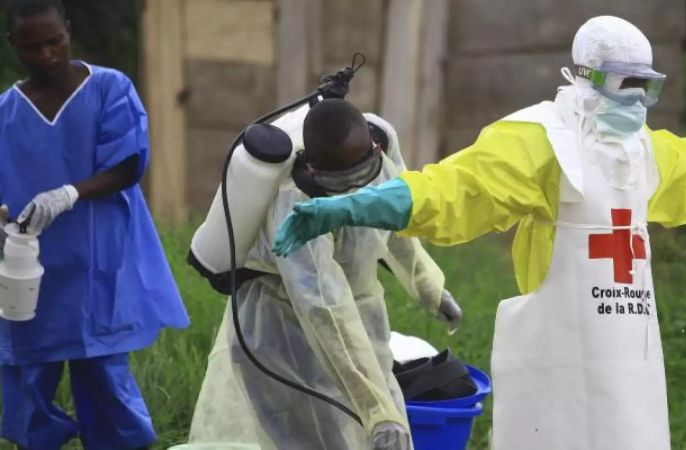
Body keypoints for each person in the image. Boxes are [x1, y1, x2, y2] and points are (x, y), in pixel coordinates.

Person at [271, 16, 686, 450]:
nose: (636, 101)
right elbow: (449, 189)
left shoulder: (646, 149)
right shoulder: (540, 141)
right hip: (558, 358)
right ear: (587, 76)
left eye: (647, 87)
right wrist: (350, 207)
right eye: (626, 84)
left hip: (631, 361)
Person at [189, 99, 462, 450]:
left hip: (360, 316)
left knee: (373, 429)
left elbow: (393, 218)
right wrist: (379, 412)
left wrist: (428, 285)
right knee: (318, 439)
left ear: (373, 147)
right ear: (312, 169)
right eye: (340, 182)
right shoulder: (295, 206)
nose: (353, 191)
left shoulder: (379, 146)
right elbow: (324, 307)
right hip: (284, 331)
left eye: (360, 175)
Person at [0, 1, 189, 449]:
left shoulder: (108, 88)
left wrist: (69, 193)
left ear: (67, 31)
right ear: (13, 46)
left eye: (54, 41)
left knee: (102, 370)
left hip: (96, 261)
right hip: (30, 266)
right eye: (31, 46)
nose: (45, 54)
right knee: (27, 371)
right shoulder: (6, 111)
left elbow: (127, 165)